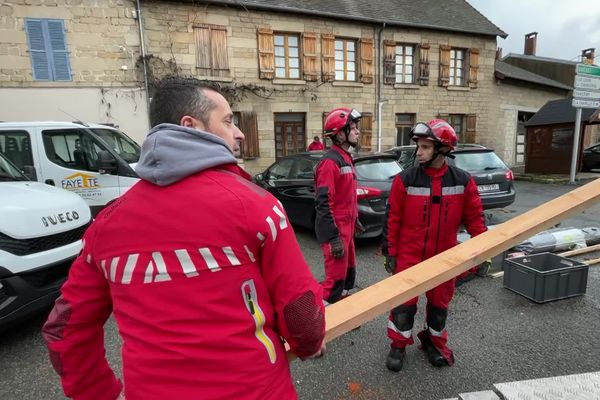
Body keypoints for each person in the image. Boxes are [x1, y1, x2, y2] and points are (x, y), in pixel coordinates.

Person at [42, 77, 326, 400]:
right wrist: (310, 345)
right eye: (229, 121)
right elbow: (300, 310)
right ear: (191, 125)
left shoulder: (105, 226)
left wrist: (100, 393)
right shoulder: (257, 206)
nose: (239, 133)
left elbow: (63, 328)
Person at [382, 119, 486, 372]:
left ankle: (433, 342)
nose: (419, 152)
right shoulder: (405, 180)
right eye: (419, 146)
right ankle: (398, 345)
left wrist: (484, 252)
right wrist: (390, 252)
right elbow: (392, 218)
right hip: (409, 255)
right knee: (404, 306)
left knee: (439, 306)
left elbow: (475, 219)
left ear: (443, 149)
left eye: (426, 147)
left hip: (445, 257)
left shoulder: (463, 180)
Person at [314, 108, 365, 305]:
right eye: (353, 128)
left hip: (347, 229)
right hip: (336, 232)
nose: (358, 132)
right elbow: (323, 203)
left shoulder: (345, 158)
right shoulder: (330, 162)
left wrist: (355, 219)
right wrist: (333, 237)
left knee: (348, 275)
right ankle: (320, 318)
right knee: (334, 282)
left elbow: (346, 197)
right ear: (340, 133)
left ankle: (343, 311)